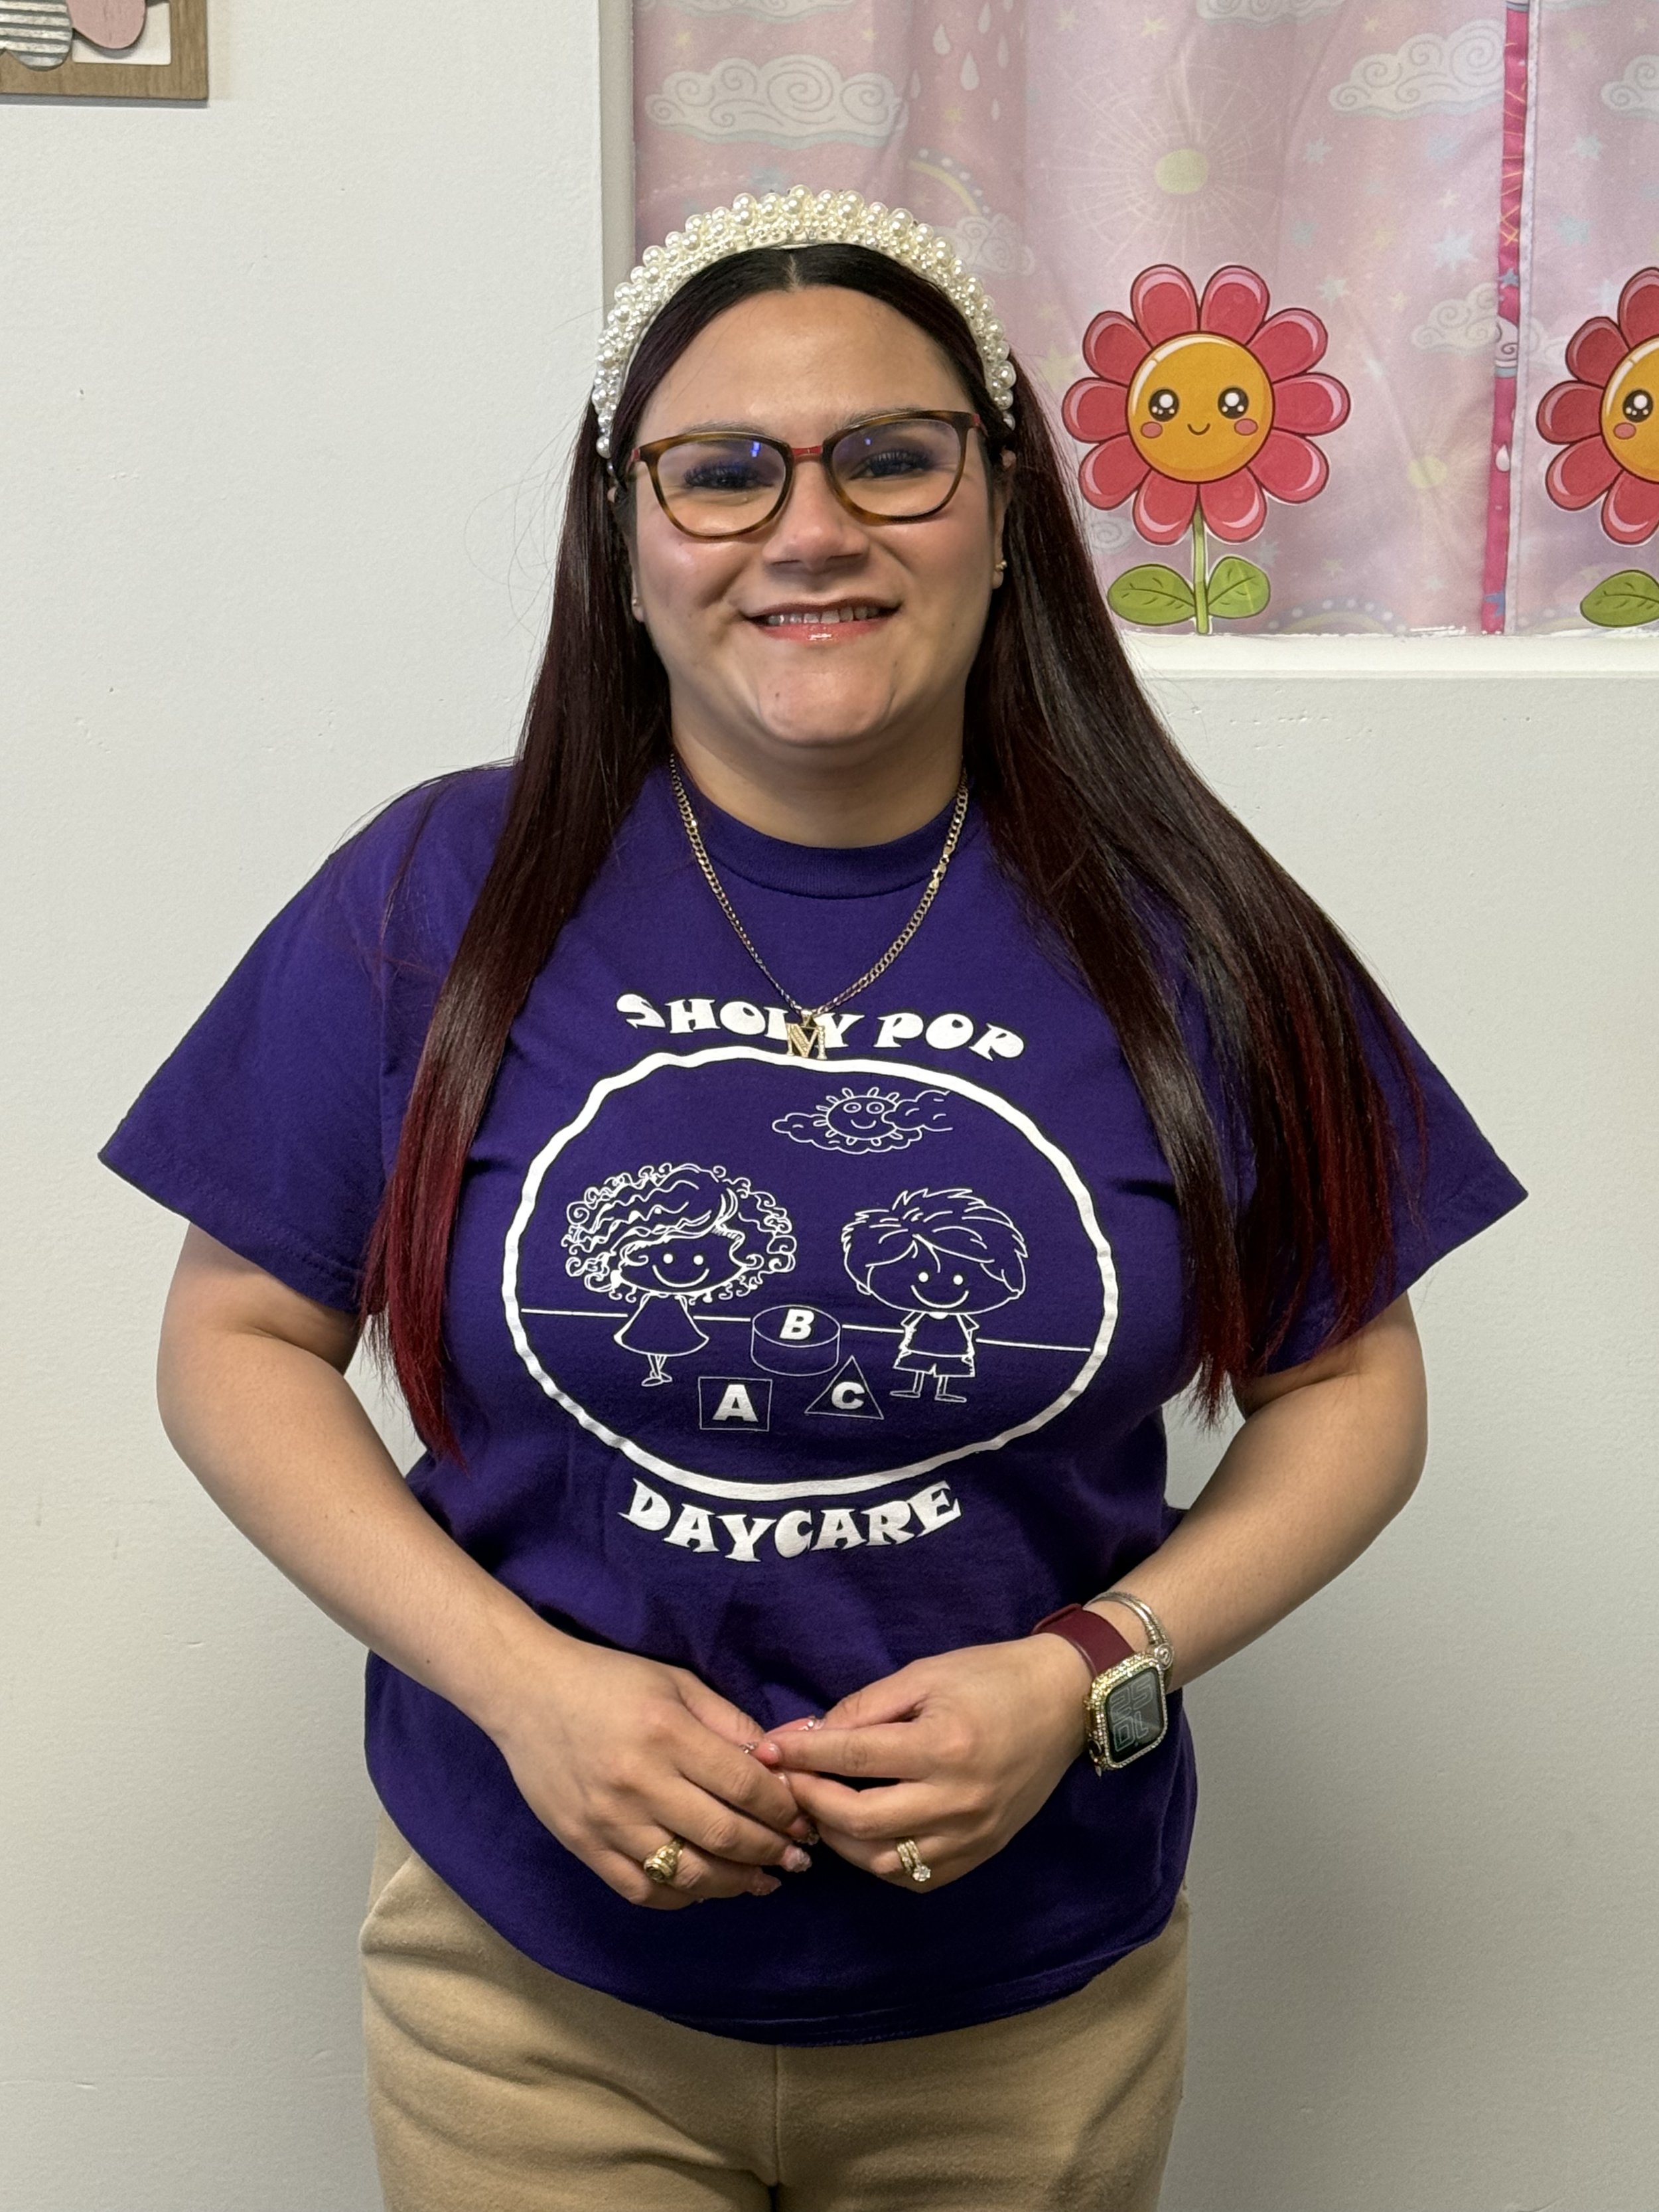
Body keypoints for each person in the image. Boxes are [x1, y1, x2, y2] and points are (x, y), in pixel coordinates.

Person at [101, 188, 1525, 2211]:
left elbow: (1350, 1384)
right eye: (721, 472)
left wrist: (1089, 1666)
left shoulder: (1193, 931)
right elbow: (236, 1338)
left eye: (889, 455)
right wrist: (522, 1685)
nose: (809, 527)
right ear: (625, 536)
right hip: (533, 1992)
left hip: (1028, 2008)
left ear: (1001, 507)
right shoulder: (437, 893)